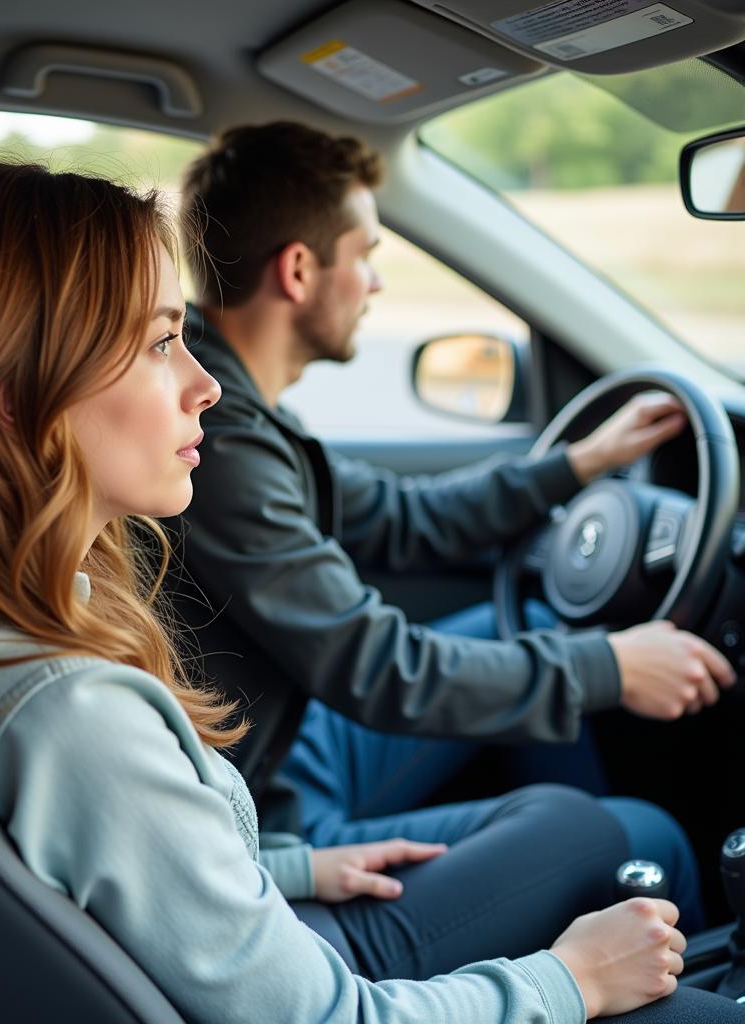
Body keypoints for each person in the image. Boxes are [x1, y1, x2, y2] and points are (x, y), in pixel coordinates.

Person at [0, 160, 745, 1024]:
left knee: (578, 817)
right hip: (317, 959)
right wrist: (569, 980)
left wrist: (288, 865)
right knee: (628, 837)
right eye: (160, 344)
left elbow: (126, 863)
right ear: (14, 396)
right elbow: (320, 1016)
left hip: (277, 881)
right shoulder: (71, 710)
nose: (204, 385)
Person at [166, 123, 735, 931]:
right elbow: (380, 665)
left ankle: (573, 844)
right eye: (364, 255)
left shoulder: (242, 409)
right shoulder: (222, 437)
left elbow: (402, 517)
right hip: (269, 814)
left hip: (287, 746)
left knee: (535, 622)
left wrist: (577, 462)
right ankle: (603, 869)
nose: (374, 284)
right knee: (655, 837)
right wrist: (606, 668)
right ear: (298, 270)